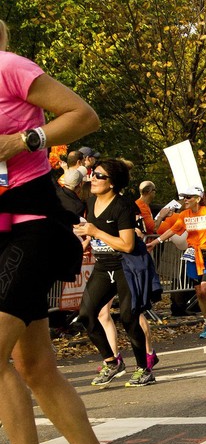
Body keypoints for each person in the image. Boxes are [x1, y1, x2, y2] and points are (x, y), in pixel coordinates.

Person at [0, 28, 129, 444]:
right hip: (3, 232)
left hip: (33, 225)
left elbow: (84, 115)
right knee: (33, 365)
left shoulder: (9, 66)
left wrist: (25, 139)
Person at [75, 158, 156, 387]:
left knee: (129, 317)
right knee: (86, 314)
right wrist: (86, 240)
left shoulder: (124, 206)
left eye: (99, 176)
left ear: (112, 183)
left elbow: (128, 245)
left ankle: (143, 369)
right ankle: (112, 362)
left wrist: (95, 232)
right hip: (103, 266)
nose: (92, 178)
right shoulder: (91, 202)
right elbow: (95, 230)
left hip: (125, 266)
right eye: (92, 173)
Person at [148, 186, 206, 339]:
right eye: (184, 197)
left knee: (205, 290)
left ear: (198, 199)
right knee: (199, 293)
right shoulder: (184, 215)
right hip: (193, 256)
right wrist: (155, 242)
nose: (185, 200)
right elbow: (173, 230)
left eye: (188, 197)